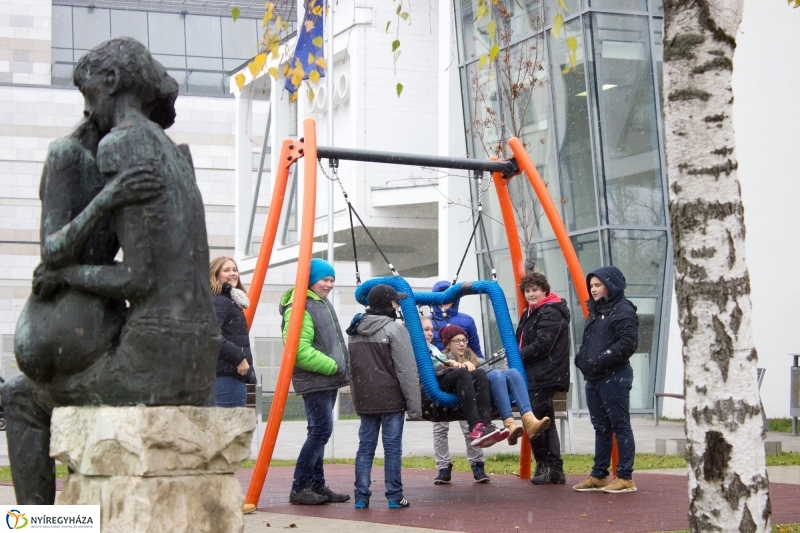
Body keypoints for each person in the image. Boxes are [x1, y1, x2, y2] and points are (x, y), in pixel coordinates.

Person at [3, 38, 219, 504]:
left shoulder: (121, 144)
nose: (87, 113)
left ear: (113, 83)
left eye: (89, 95)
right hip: (198, 362)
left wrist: (66, 276)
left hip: (153, 366)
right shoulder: (176, 154)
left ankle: (38, 526)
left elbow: (138, 280)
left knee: (21, 399)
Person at [278, 258, 350, 505]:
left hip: (326, 380)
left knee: (318, 432)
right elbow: (298, 349)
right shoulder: (300, 306)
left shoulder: (319, 303)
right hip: (317, 378)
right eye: (325, 279)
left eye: (332, 280)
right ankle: (299, 486)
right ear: (310, 280)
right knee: (320, 431)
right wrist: (332, 366)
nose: (329, 284)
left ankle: (316, 485)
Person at [346, 284, 421, 509]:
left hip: (366, 398)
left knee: (365, 447)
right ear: (389, 304)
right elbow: (406, 370)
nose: (398, 305)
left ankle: (361, 497)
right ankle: (395, 497)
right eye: (396, 301)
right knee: (392, 448)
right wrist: (415, 407)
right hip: (391, 399)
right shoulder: (395, 329)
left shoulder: (355, 329)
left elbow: (353, 370)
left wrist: (357, 398)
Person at [573, 266, 639, 494]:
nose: (593, 289)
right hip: (595, 377)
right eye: (591, 285)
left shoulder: (624, 310)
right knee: (601, 427)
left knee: (620, 426)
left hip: (615, 377)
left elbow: (628, 343)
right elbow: (589, 341)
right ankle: (599, 474)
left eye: (597, 285)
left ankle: (625, 476)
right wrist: (581, 359)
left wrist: (600, 360)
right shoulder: (595, 311)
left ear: (610, 285)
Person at [428, 281, 493, 483]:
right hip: (443, 376)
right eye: (441, 296)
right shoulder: (428, 323)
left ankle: (477, 464)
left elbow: (474, 347)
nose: (445, 301)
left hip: (463, 371)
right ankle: (443, 467)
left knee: (468, 423)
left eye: (449, 297)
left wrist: (479, 366)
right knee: (440, 426)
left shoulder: (466, 320)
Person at [516, 271, 571, 485]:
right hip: (536, 373)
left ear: (544, 291)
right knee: (543, 421)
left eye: (535, 290)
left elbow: (543, 345)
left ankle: (548, 465)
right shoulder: (531, 313)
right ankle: (551, 467)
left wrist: (516, 356)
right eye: (527, 290)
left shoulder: (550, 312)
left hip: (544, 374)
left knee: (536, 422)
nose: (531, 294)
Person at [437, 325, 508, 452]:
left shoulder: (474, 359)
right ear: (448, 344)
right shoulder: (443, 357)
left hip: (465, 388)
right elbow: (437, 369)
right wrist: (458, 365)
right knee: (463, 373)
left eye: (464, 340)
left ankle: (486, 423)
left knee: (480, 373)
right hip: (446, 384)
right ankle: (475, 426)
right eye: (457, 341)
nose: (462, 344)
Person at [210, 257, 256, 408]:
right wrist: (239, 358)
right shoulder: (221, 301)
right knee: (228, 429)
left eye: (235, 270)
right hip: (227, 376)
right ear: (215, 275)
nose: (233, 273)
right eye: (226, 270)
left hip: (227, 375)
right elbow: (211, 335)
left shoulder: (227, 301)